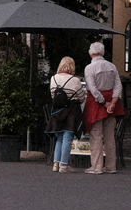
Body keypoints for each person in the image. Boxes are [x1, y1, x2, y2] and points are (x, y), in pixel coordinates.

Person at [83, 41, 125, 175]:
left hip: (96, 104)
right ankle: (111, 166)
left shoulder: (89, 68)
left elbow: (93, 89)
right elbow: (118, 86)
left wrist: (104, 102)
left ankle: (97, 166)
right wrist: (112, 103)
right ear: (102, 52)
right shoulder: (112, 66)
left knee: (96, 136)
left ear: (91, 53)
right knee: (109, 136)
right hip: (112, 103)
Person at [49, 57, 86, 172]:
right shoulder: (75, 80)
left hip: (57, 111)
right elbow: (81, 98)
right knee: (67, 137)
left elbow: (52, 95)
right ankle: (64, 165)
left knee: (59, 137)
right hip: (71, 112)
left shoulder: (53, 78)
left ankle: (56, 163)